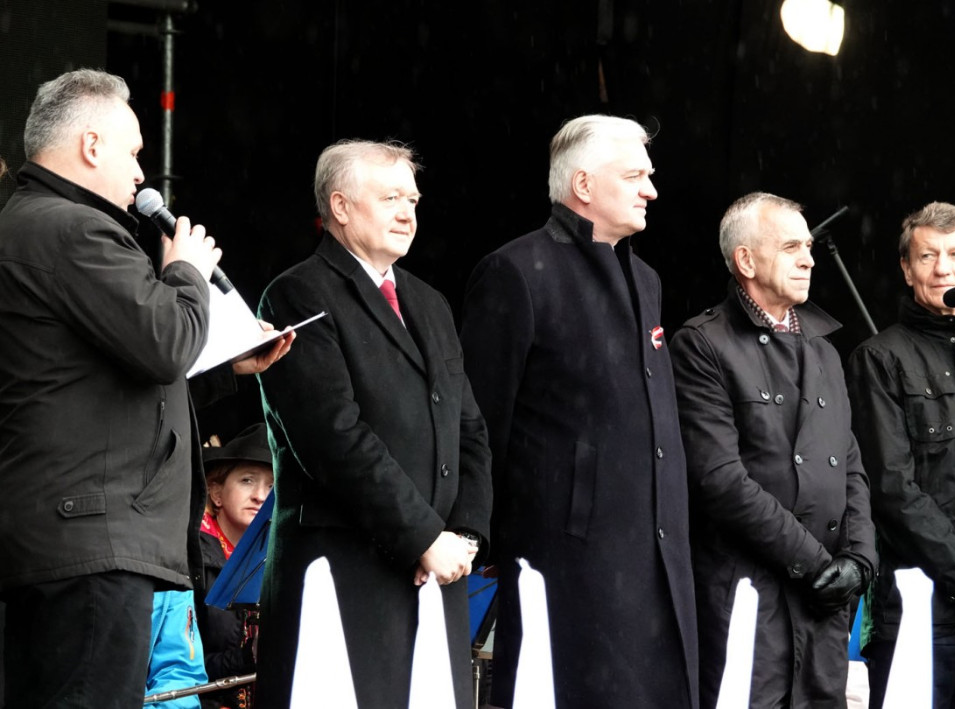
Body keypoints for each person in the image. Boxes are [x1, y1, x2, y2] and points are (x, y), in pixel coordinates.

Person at [460, 115, 699, 708]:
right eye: (635, 175)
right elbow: (482, 422)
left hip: (656, 552)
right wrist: (485, 533)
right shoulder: (515, 270)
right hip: (567, 561)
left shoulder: (646, 278)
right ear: (584, 184)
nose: (651, 190)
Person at [0, 69, 221, 708]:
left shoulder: (30, 223)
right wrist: (186, 273)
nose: (141, 174)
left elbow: (109, 380)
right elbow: (164, 343)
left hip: (63, 536)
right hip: (90, 541)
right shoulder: (74, 229)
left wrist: (227, 364)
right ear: (91, 146)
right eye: (133, 152)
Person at [254, 139, 492, 708]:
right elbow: (333, 438)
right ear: (339, 206)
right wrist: (423, 537)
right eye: (390, 198)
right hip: (346, 574)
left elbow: (470, 430)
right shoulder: (298, 294)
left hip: (439, 571)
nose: (408, 213)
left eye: (412, 200)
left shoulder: (429, 302)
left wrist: (463, 535)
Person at [669, 191, 877, 707]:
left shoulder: (826, 350)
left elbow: (850, 466)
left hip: (824, 603)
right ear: (746, 260)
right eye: (791, 247)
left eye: (808, 247)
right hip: (748, 598)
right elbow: (720, 479)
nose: (809, 259)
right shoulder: (702, 344)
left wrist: (860, 561)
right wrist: (817, 564)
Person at [846, 201, 955, 709]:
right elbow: (891, 491)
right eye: (927, 256)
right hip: (917, 613)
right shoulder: (879, 359)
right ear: (907, 269)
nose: (942, 267)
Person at [197, 423, 275, 709]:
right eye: (247, 480)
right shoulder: (191, 557)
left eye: (272, 486)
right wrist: (247, 657)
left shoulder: (282, 561)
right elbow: (177, 667)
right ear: (216, 492)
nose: (260, 496)